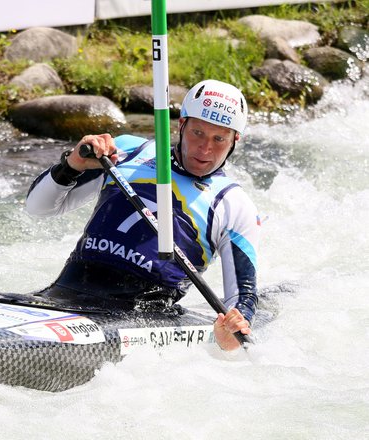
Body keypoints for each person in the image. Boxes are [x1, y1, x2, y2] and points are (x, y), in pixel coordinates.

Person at [25, 79, 259, 351]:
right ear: (181, 124)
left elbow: (243, 298)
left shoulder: (233, 204)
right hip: (61, 295)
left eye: (219, 138)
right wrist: (73, 163)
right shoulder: (128, 152)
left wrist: (231, 331)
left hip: (138, 320)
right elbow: (37, 208)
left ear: (234, 140)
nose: (205, 148)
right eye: (197, 133)